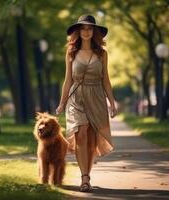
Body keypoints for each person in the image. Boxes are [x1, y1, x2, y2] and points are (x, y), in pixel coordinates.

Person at [56, 14, 117, 192]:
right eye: (83, 28)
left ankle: (87, 175)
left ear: (94, 31)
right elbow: (68, 80)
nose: (86, 31)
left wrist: (112, 103)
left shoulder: (102, 54)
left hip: (96, 96)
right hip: (76, 98)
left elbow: (106, 79)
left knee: (91, 140)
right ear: (78, 31)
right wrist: (62, 103)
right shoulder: (71, 52)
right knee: (80, 133)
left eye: (90, 28)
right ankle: (84, 178)